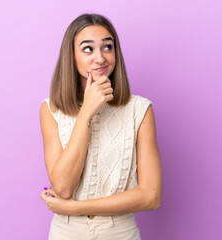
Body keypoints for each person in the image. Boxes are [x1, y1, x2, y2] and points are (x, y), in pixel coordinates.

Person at [40, 13, 162, 240]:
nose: (100, 58)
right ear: (71, 56)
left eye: (108, 47)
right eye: (88, 49)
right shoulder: (51, 110)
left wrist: (76, 208)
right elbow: (63, 187)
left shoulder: (140, 110)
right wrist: (86, 111)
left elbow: (151, 196)